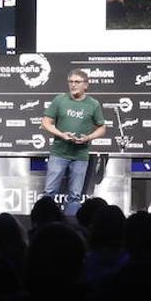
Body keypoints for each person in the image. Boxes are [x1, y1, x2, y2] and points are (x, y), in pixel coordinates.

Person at [41, 69, 106, 207]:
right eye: (71, 82)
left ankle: (73, 220)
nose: (73, 85)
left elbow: (102, 128)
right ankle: (46, 219)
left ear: (86, 85)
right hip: (59, 153)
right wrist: (61, 134)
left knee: (75, 196)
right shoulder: (59, 100)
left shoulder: (93, 104)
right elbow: (46, 123)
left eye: (77, 82)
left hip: (80, 155)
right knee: (49, 193)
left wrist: (88, 137)